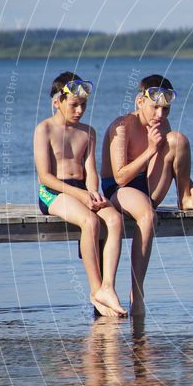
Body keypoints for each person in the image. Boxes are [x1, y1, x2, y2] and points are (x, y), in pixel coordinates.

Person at [101, 74, 193, 316]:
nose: (160, 115)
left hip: (147, 187)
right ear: (140, 101)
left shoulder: (162, 126)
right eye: (155, 108)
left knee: (177, 140)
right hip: (119, 190)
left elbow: (174, 166)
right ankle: (136, 293)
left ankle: (185, 197)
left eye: (165, 109)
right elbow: (120, 177)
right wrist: (151, 149)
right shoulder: (121, 127)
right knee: (148, 216)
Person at [33, 72, 126, 317]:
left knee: (115, 219)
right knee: (90, 221)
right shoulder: (44, 129)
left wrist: (93, 193)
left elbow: (90, 171)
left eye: (83, 105)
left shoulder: (88, 132)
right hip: (54, 192)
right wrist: (82, 196)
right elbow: (45, 177)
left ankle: (108, 286)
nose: (80, 110)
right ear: (57, 102)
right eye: (74, 105)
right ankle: (96, 289)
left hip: (82, 190)